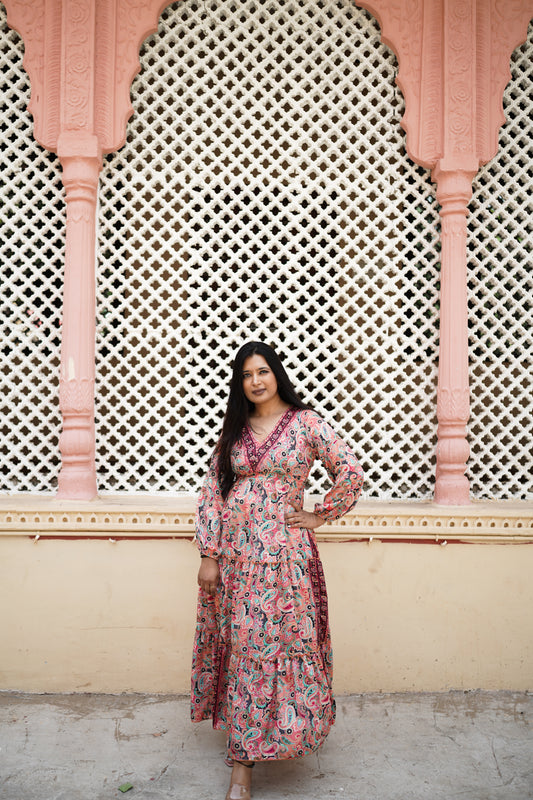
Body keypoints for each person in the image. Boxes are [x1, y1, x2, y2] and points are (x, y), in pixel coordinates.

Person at [191, 341, 364, 800]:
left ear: (276, 374)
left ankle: (286, 736)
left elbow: (349, 472)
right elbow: (214, 492)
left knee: (284, 646)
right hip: (239, 561)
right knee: (246, 650)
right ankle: (242, 768)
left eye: (263, 371)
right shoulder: (235, 429)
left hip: (287, 561)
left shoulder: (306, 423)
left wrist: (319, 515)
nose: (255, 382)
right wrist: (210, 553)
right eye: (247, 375)